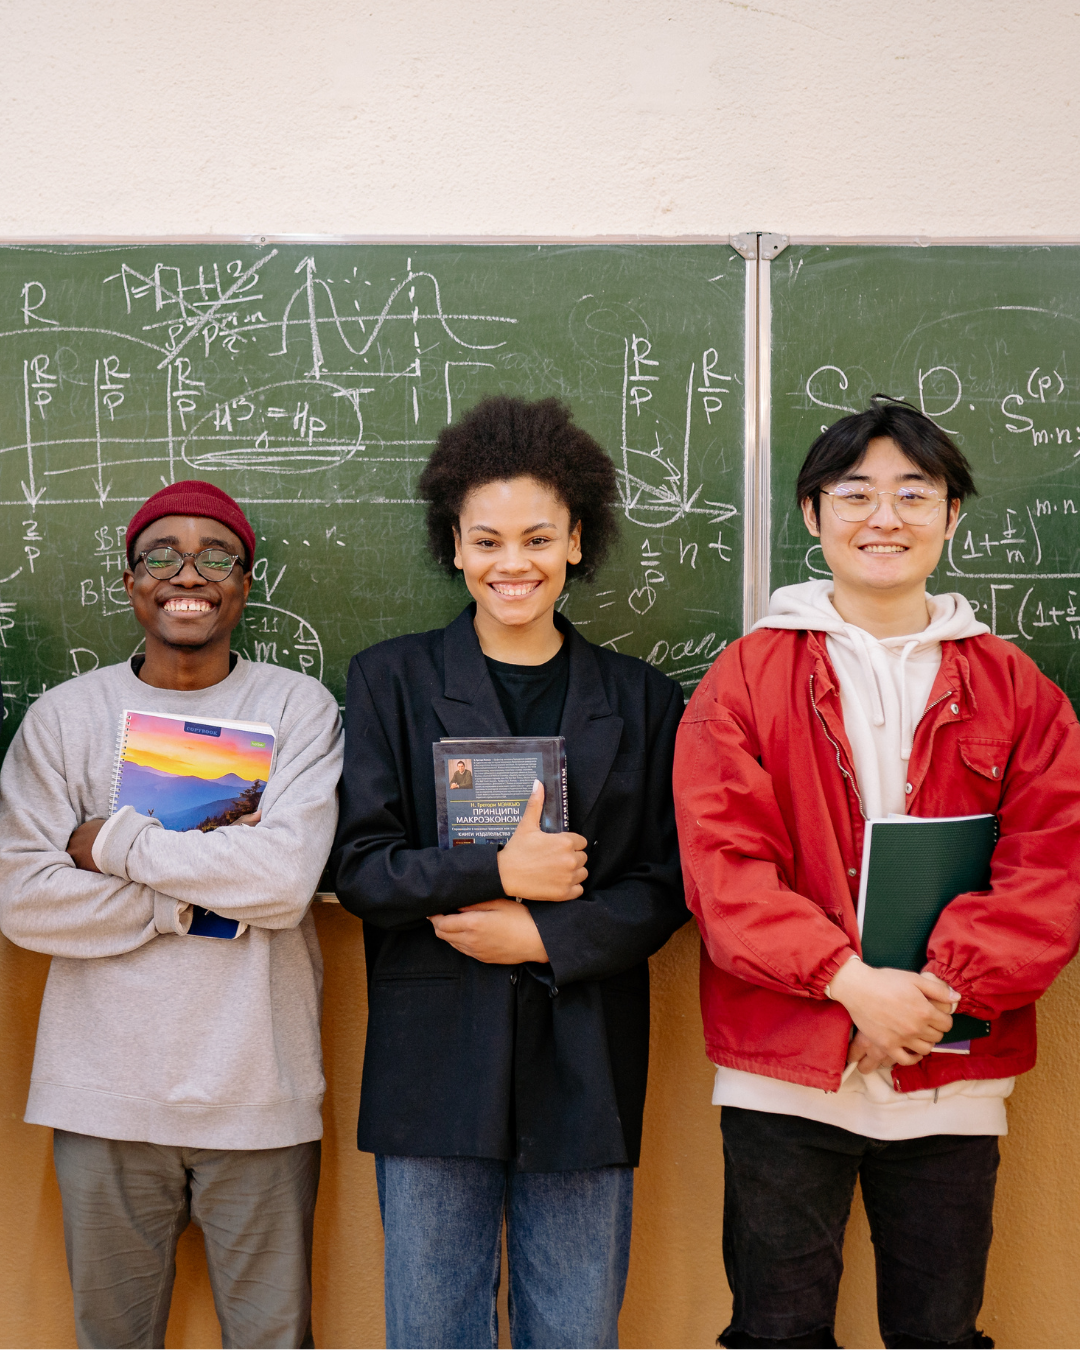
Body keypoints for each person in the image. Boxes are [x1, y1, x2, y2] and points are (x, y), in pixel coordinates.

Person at [674, 398, 1080, 1350]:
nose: (883, 517)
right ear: (812, 516)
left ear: (950, 516)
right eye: (853, 493)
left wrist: (930, 1000)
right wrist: (851, 987)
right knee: (776, 1332)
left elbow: (1049, 868)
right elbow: (724, 871)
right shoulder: (743, 679)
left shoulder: (1018, 690)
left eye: (913, 492)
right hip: (785, 1076)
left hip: (953, 1071)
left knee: (940, 1335)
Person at [331, 395, 687, 1350]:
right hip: (434, 1061)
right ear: (454, 547)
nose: (512, 563)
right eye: (486, 540)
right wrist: (496, 868)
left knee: (574, 1332)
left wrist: (543, 931)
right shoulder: (390, 681)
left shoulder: (643, 699)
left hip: (583, 1062)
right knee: (432, 1330)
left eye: (538, 537)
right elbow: (360, 868)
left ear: (577, 540)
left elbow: (665, 883)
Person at [0, 481, 343, 1350]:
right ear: (129, 579)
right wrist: (182, 904)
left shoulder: (298, 711)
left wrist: (113, 842)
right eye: (162, 555)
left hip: (258, 1097)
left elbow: (281, 883)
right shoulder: (62, 719)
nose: (187, 574)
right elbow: (25, 901)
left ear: (245, 579)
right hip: (103, 1101)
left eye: (215, 555)